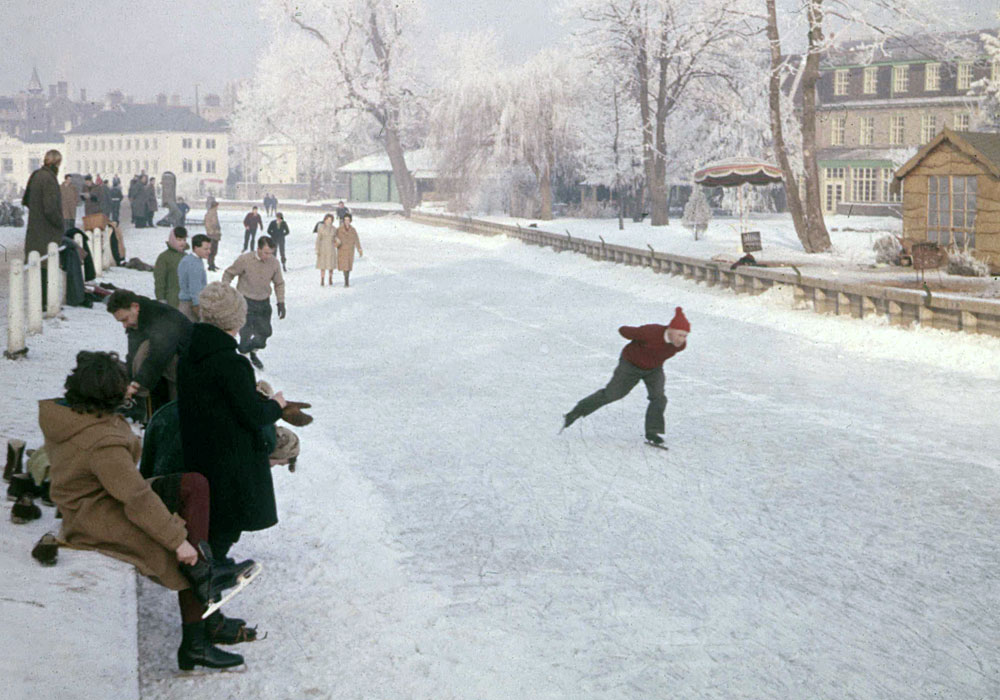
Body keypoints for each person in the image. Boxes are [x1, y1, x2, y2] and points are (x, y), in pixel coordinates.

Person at [39, 350, 254, 671]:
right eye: (123, 386)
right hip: (96, 516)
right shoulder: (101, 444)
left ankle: (204, 577)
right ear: (104, 395)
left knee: (194, 485)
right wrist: (178, 542)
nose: (131, 389)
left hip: (103, 495)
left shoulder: (75, 411)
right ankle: (196, 634)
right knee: (178, 546)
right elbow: (136, 497)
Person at [177, 282, 287, 571]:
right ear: (236, 318)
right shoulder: (231, 363)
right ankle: (212, 572)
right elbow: (252, 415)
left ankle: (212, 570)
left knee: (211, 522)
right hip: (230, 459)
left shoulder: (190, 352)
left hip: (198, 450)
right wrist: (276, 405)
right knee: (225, 524)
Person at [562, 307, 690, 446]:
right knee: (613, 394)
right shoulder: (651, 332)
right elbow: (624, 330)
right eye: (680, 335)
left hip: (654, 369)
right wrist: (629, 333)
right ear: (670, 330)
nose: (682, 340)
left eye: (685, 336)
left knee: (659, 398)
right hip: (630, 365)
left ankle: (653, 432)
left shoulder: (680, 346)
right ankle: (576, 412)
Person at [106, 289, 193, 417]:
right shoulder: (137, 318)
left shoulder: (161, 315)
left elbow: (159, 354)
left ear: (135, 307)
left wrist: (136, 385)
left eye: (125, 319)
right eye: (121, 322)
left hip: (189, 366)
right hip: (168, 366)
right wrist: (129, 383)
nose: (124, 326)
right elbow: (132, 355)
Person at [222, 237, 285, 370]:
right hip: (245, 300)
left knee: (265, 331)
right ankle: (244, 359)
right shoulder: (245, 259)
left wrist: (281, 302)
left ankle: (252, 350)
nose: (268, 256)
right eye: (266, 253)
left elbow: (279, 283)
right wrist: (225, 290)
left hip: (263, 302)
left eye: (271, 253)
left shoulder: (274, 263)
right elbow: (229, 273)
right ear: (258, 249)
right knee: (245, 332)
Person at [22, 150, 64, 308]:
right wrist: (60, 223)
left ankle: (41, 302)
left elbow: (26, 200)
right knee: (47, 266)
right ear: (57, 162)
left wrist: (36, 211)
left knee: (38, 266)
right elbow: (50, 208)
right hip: (47, 229)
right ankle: (45, 303)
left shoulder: (36, 175)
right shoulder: (49, 178)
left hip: (35, 227)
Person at [178, 234, 211, 322]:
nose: (209, 251)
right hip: (191, 306)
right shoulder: (193, 264)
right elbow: (194, 288)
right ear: (196, 248)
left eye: (209, 249)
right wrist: (199, 311)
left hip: (187, 304)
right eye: (205, 249)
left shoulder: (191, 259)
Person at [153, 226, 189, 308]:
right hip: (171, 301)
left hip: (186, 301)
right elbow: (160, 280)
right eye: (179, 240)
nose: (182, 243)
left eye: (184, 240)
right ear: (172, 240)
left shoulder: (187, 257)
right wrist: (161, 298)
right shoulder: (164, 257)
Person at [335, 212, 363, 288]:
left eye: (348, 220)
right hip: (342, 250)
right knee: (345, 266)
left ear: (350, 220)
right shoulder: (339, 229)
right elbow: (334, 238)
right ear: (343, 220)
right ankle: (346, 280)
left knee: (348, 266)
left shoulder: (353, 230)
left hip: (350, 250)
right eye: (345, 220)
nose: (347, 221)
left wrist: (359, 249)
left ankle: (347, 279)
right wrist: (337, 242)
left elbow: (356, 239)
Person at [315, 213, 337, 287]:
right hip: (323, 248)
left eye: (330, 220)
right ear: (325, 220)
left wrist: (338, 242)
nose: (329, 221)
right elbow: (318, 239)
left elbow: (335, 238)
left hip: (331, 248)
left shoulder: (334, 229)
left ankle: (330, 278)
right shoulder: (321, 228)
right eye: (328, 220)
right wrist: (317, 249)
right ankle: (322, 279)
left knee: (330, 265)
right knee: (323, 265)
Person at [204, 198, 222, 271]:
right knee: (211, 250)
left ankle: (212, 264)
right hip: (212, 235)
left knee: (214, 250)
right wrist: (211, 231)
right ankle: (210, 265)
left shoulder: (214, 213)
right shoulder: (210, 214)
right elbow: (207, 224)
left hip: (216, 235)